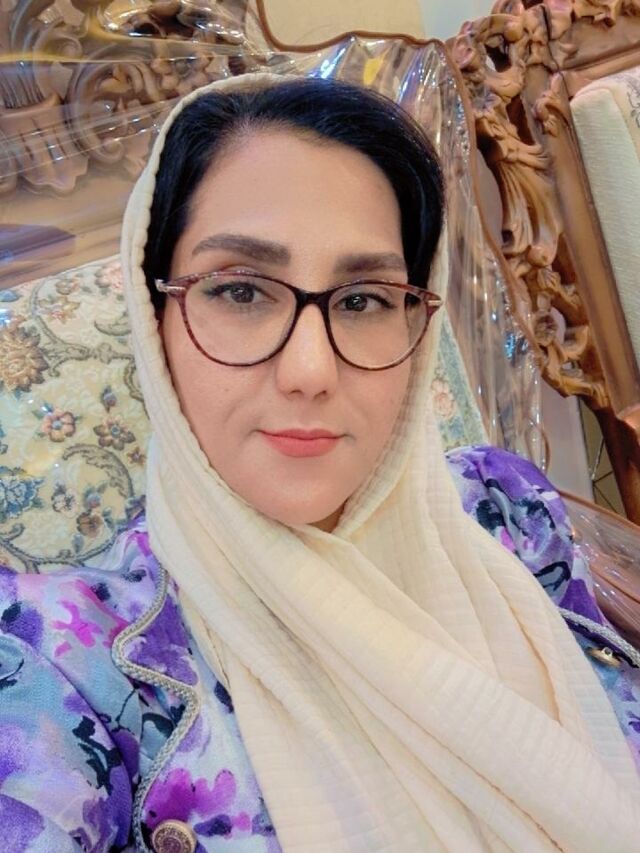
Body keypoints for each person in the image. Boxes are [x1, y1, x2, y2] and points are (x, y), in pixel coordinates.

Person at [1, 72, 639, 853]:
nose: (311, 370)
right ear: (153, 313)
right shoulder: (62, 657)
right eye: (241, 292)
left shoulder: (504, 509)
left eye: (363, 299)